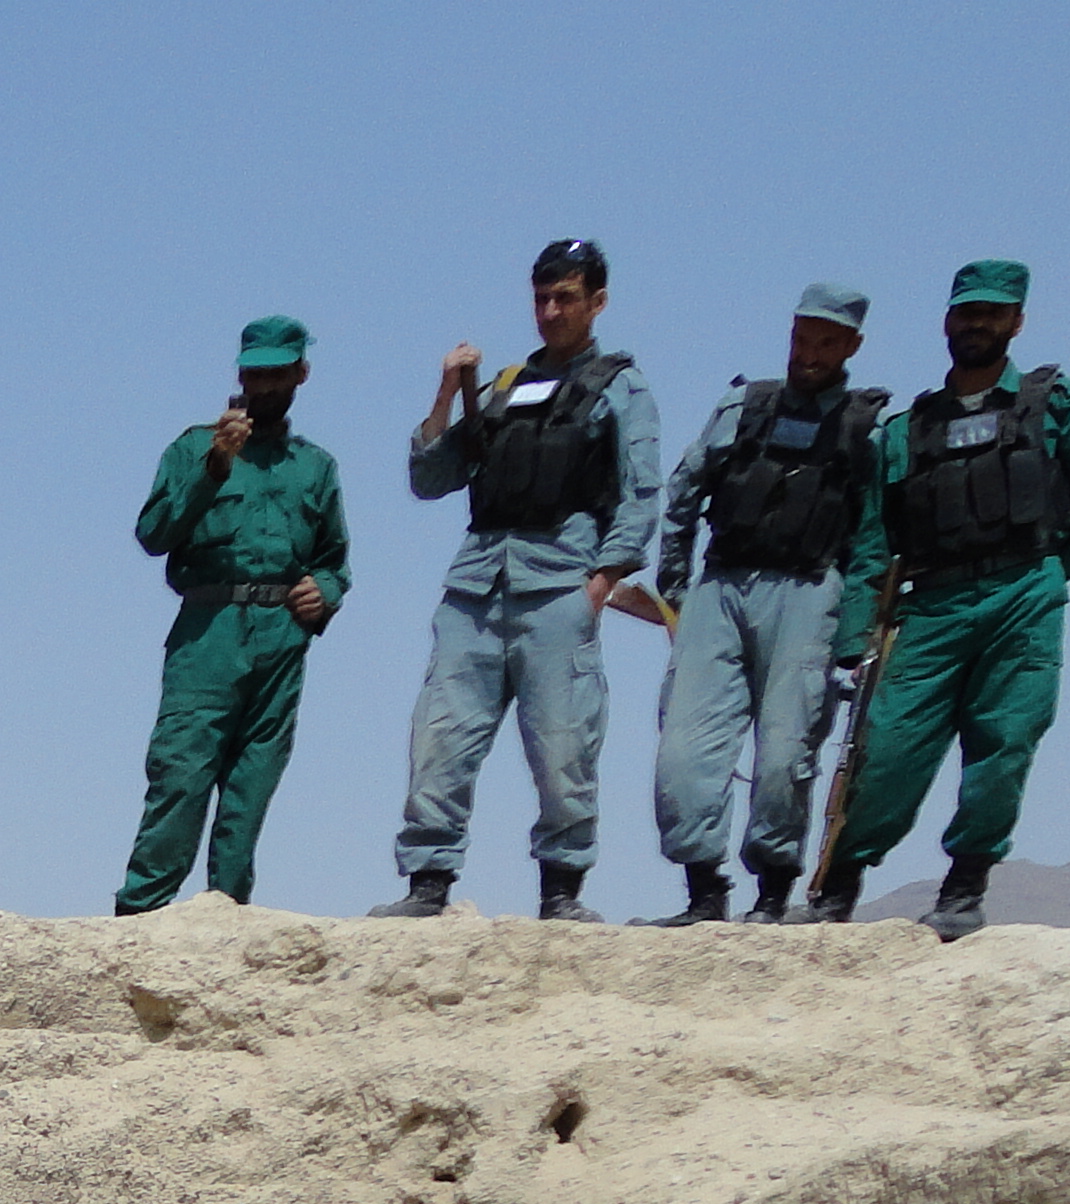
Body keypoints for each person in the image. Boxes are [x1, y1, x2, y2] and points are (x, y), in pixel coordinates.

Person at [806, 261, 1070, 939]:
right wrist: (856, 634)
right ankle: (839, 884)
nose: (977, 324)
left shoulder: (1052, 403)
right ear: (947, 321)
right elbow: (872, 542)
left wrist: (1052, 574)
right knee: (886, 751)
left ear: (1017, 323)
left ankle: (964, 886)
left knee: (1005, 742)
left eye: (992, 313)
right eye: (966, 312)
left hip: (1023, 595)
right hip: (931, 606)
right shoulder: (906, 429)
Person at [372, 240, 663, 923]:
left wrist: (605, 576)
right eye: (542, 298)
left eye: (566, 298)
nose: (551, 311)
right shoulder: (503, 386)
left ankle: (562, 891)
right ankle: (428, 881)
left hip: (560, 580)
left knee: (565, 747)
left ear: (598, 302)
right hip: (476, 586)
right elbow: (431, 477)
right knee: (440, 737)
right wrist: (447, 392)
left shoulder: (621, 384)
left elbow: (642, 490)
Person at [643, 284, 885, 925]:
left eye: (826, 341)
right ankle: (703, 895)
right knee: (683, 755)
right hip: (720, 588)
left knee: (786, 754)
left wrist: (857, 628)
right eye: (802, 337)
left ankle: (774, 897)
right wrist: (674, 588)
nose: (810, 352)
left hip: (809, 592)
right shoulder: (744, 406)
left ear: (852, 346)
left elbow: (874, 534)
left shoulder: (867, 426)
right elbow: (687, 484)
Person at [118, 314, 346, 915]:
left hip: (281, 639)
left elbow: (334, 559)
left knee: (253, 782)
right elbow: (153, 532)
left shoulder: (315, 466)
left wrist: (324, 592)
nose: (264, 387)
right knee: (181, 772)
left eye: (278, 374)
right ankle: (140, 914)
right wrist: (215, 465)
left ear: (301, 374)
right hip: (209, 631)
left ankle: (225, 917)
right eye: (254, 374)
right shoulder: (194, 447)